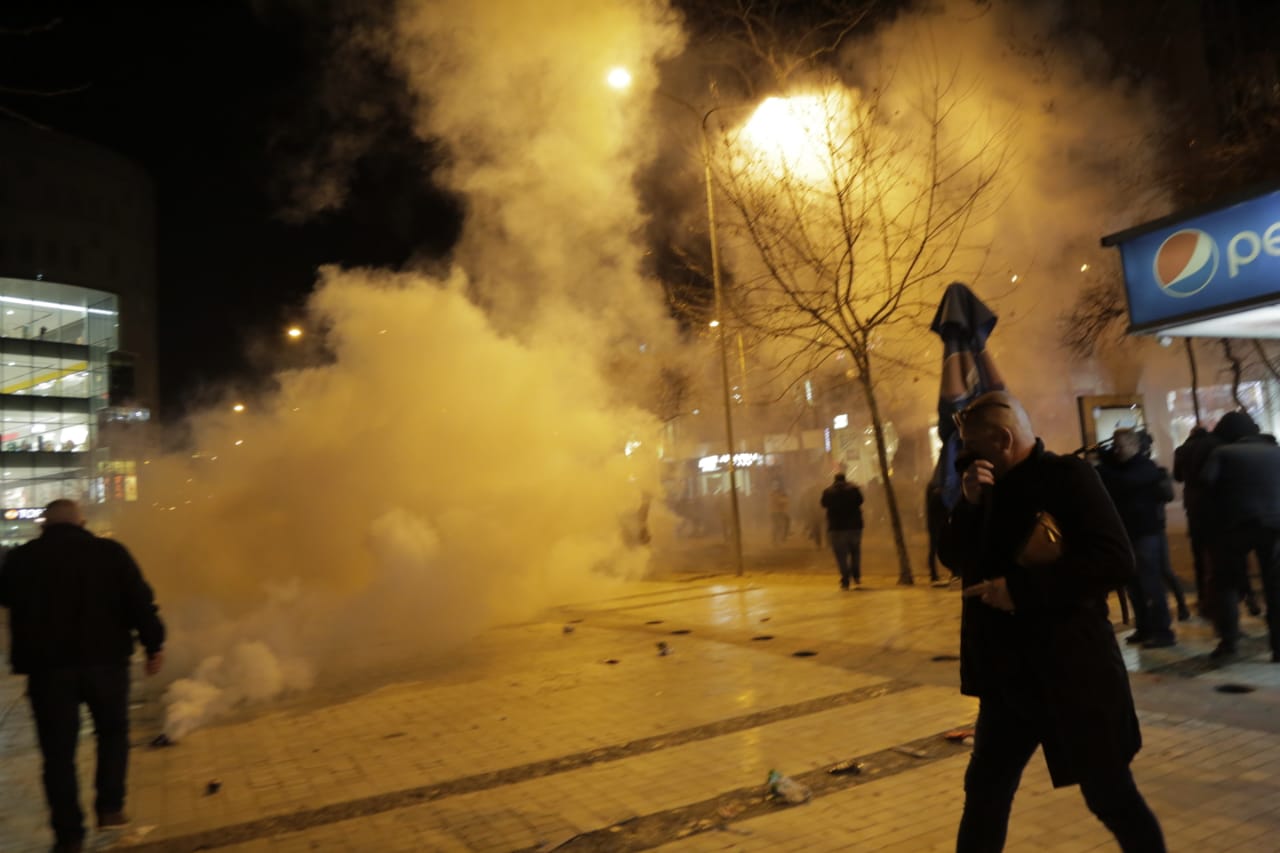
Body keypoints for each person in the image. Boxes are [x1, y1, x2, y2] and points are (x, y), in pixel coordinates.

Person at [939, 392, 1165, 852]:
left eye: (973, 448)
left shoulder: (1068, 478)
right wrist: (968, 504)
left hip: (1071, 673)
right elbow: (952, 557)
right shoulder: (984, 487)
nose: (967, 460)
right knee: (985, 794)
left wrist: (1020, 592)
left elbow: (1115, 560)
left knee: (1109, 795)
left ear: (1003, 440)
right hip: (1007, 680)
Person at [0, 499, 166, 853]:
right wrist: (154, 645)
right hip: (106, 663)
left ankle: (69, 836)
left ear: (44, 525)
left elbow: (5, 596)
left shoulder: (22, 559)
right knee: (113, 733)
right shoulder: (110, 553)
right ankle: (109, 807)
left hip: (48, 672)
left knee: (57, 754)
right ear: (82, 523)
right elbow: (139, 601)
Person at [1200, 410, 1280, 661]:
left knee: (1227, 583)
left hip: (1235, 526)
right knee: (1274, 586)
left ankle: (1229, 643)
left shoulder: (1222, 453)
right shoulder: (1276, 451)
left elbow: (1206, 483)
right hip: (1275, 526)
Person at [1097, 428, 1178, 648]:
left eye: (1120, 446)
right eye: (1114, 446)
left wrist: (1103, 467)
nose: (1116, 451)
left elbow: (1124, 482)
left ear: (1134, 446)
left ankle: (1163, 632)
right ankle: (1144, 628)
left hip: (1146, 533)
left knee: (1151, 584)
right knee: (1134, 585)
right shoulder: (1118, 467)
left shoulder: (1145, 467)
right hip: (1128, 533)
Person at [821, 472, 865, 590]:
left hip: (836, 528)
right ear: (845, 479)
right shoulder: (854, 489)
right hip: (854, 527)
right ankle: (856, 575)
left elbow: (823, 504)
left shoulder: (828, 491)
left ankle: (845, 578)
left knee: (841, 555)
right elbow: (861, 501)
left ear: (834, 480)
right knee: (855, 552)